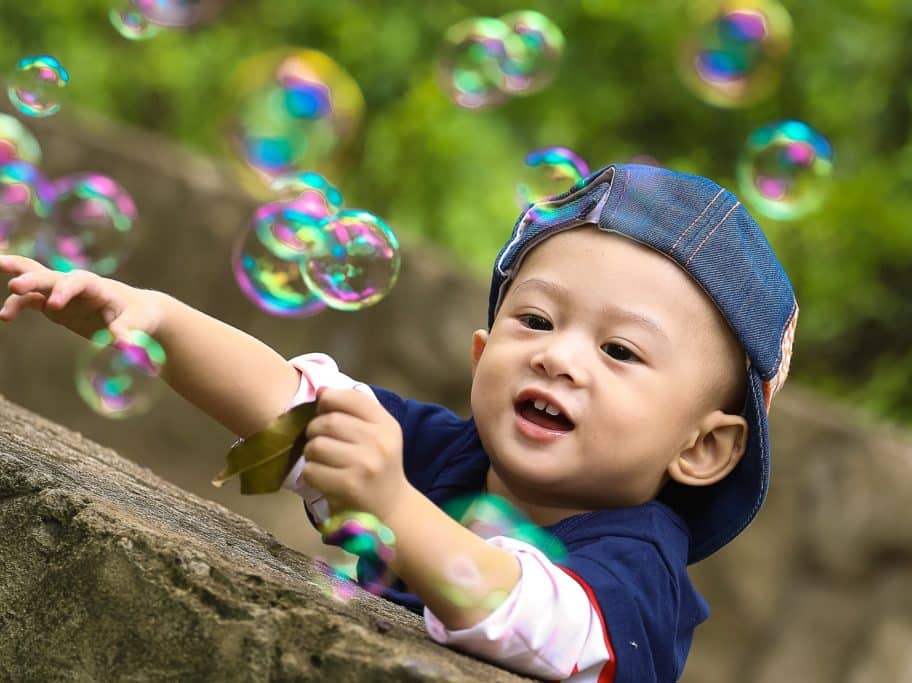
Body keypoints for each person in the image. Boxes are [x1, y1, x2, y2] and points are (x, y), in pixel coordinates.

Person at [0, 163, 798, 682]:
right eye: (536, 320)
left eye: (619, 349)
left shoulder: (638, 564)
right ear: (483, 350)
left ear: (704, 447)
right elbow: (292, 403)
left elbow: (535, 617)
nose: (559, 358)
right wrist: (153, 320)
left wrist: (392, 502)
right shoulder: (445, 453)